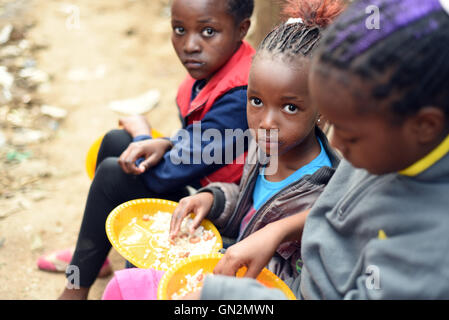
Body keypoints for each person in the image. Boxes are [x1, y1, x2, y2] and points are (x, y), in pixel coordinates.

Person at [194, 0, 449, 300]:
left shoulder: (430, 252)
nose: (337, 145)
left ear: (425, 126)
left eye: (351, 135)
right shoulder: (387, 145)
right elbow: (333, 210)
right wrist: (278, 230)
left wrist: (227, 297)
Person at [100, 0, 344, 300]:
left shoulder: (321, 191)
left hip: (250, 288)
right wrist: (212, 199)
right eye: (256, 101)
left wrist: (218, 281)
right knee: (136, 268)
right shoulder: (267, 147)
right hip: (222, 259)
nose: (267, 122)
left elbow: (296, 281)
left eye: (290, 107)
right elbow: (244, 202)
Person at [43, 0, 256, 300]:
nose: (190, 45)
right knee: (116, 142)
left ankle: (74, 291)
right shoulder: (218, 65)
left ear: (241, 29)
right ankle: (92, 257)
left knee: (113, 174)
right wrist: (166, 141)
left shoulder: (241, 93)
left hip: (225, 216)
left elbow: (168, 172)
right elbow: (203, 141)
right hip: (202, 183)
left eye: (208, 31)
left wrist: (144, 133)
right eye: (179, 29)